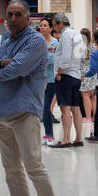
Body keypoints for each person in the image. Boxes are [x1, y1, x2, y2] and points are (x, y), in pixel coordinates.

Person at [0, 0, 69, 196]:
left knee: (34, 166)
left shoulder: (36, 41)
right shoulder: (6, 39)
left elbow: (18, 69)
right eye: (9, 14)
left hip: (24, 112)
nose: (12, 18)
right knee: (11, 170)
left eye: (18, 14)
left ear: (27, 18)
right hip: (1, 113)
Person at [52, 13, 84, 147]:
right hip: (76, 74)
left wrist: (60, 72)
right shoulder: (77, 33)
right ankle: (78, 138)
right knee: (76, 108)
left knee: (65, 108)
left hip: (66, 75)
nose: (54, 28)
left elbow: (65, 56)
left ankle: (65, 139)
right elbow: (81, 54)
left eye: (54, 25)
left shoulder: (65, 34)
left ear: (60, 23)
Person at [37, 16, 59, 146]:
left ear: (51, 28)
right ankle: (46, 133)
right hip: (39, 79)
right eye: (41, 25)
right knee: (41, 108)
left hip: (50, 80)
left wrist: (40, 59)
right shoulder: (39, 41)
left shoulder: (54, 42)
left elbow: (51, 59)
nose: (42, 27)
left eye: (45, 25)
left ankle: (50, 134)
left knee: (47, 107)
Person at [78, 28, 97, 132]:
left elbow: (79, 61)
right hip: (93, 73)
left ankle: (88, 116)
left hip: (83, 74)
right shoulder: (93, 46)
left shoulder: (80, 47)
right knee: (92, 96)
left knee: (85, 95)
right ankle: (95, 116)